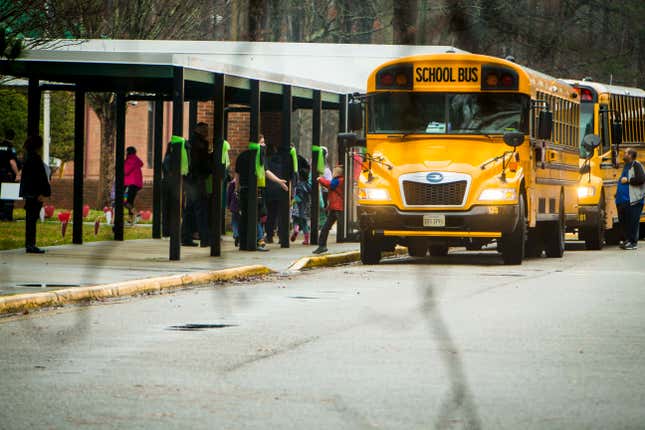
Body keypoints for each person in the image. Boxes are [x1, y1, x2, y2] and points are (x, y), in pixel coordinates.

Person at [235, 136, 287, 251]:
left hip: (244, 190)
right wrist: (279, 181)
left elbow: (237, 175)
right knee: (256, 216)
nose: (264, 145)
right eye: (262, 142)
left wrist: (236, 190)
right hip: (256, 190)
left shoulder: (242, 156)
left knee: (244, 216)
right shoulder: (259, 156)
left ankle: (243, 243)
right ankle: (257, 241)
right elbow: (266, 171)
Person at [182, 123, 213, 247]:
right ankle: (205, 239)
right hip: (198, 180)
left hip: (189, 180)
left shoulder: (190, 143)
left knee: (189, 210)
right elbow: (203, 163)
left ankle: (185, 237)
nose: (207, 132)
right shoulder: (200, 144)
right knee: (201, 210)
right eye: (206, 130)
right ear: (200, 130)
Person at [19, 135, 51, 254]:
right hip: (36, 194)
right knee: (33, 219)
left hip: (29, 193)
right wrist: (44, 192)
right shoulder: (36, 160)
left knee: (30, 219)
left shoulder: (27, 159)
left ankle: (29, 243)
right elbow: (41, 178)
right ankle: (31, 244)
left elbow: (26, 178)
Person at [265, 140, 296, 247]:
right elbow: (291, 178)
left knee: (271, 214)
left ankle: (269, 235)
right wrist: (290, 193)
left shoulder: (268, 160)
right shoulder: (287, 162)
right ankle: (282, 236)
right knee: (282, 215)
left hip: (270, 190)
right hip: (283, 189)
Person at [616, 148, 645, 250]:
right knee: (625, 221)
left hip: (635, 200)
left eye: (625, 153)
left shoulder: (636, 165)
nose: (623, 154)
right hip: (624, 200)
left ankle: (633, 243)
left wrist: (628, 180)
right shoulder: (626, 166)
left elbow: (641, 179)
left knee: (633, 221)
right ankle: (627, 240)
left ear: (631, 155)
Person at [313, 165, 344, 254]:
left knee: (326, 227)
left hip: (337, 208)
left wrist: (320, 179)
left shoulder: (338, 181)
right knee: (325, 228)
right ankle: (322, 245)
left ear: (337, 173)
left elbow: (329, 185)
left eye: (334, 171)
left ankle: (322, 246)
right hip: (335, 208)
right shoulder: (339, 180)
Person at [0, 129, 20, 221]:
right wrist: (17, 174)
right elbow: (12, 162)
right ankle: (7, 217)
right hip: (6, 175)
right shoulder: (10, 148)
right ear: (13, 137)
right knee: (8, 195)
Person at [291, 165, 311, 245]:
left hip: (298, 206)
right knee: (304, 223)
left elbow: (298, 197)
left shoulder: (298, 185)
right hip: (305, 207)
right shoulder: (308, 185)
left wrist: (293, 201)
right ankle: (306, 239)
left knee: (295, 220)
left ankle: (296, 229)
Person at [123, 146, 143, 225]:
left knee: (126, 202)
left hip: (130, 184)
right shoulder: (136, 160)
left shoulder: (130, 160)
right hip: (135, 184)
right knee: (130, 202)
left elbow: (125, 171)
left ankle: (137, 215)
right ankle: (130, 220)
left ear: (128, 152)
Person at [226, 175, 240, 247]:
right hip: (241, 205)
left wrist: (228, 205)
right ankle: (239, 235)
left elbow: (229, 195)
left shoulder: (232, 183)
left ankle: (236, 234)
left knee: (234, 221)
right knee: (240, 221)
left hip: (234, 205)